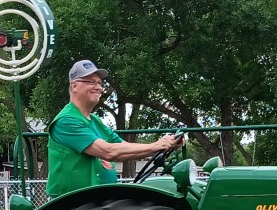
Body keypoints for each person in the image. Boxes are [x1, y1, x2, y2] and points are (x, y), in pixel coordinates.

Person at [46, 60, 184, 198]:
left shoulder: (96, 121)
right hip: (75, 207)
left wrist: (164, 145)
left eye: (100, 83)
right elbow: (109, 151)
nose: (98, 87)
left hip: (99, 201)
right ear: (74, 86)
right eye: (91, 82)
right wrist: (155, 145)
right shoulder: (66, 121)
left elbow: (123, 148)